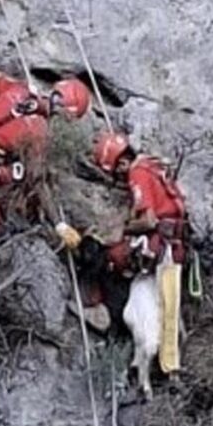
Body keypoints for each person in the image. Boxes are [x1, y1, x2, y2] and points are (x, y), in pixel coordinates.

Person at [56, 129, 191, 389]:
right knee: (164, 304)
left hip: (160, 246)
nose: (119, 179)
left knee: (104, 256)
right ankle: (163, 366)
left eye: (118, 173)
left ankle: (98, 306)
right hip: (175, 248)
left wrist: (122, 230)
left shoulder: (138, 173)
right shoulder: (154, 167)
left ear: (122, 162)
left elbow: (149, 220)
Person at [0, 73, 92, 236]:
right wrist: (59, 224)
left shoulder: (19, 89)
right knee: (22, 180)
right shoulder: (38, 129)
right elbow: (37, 180)